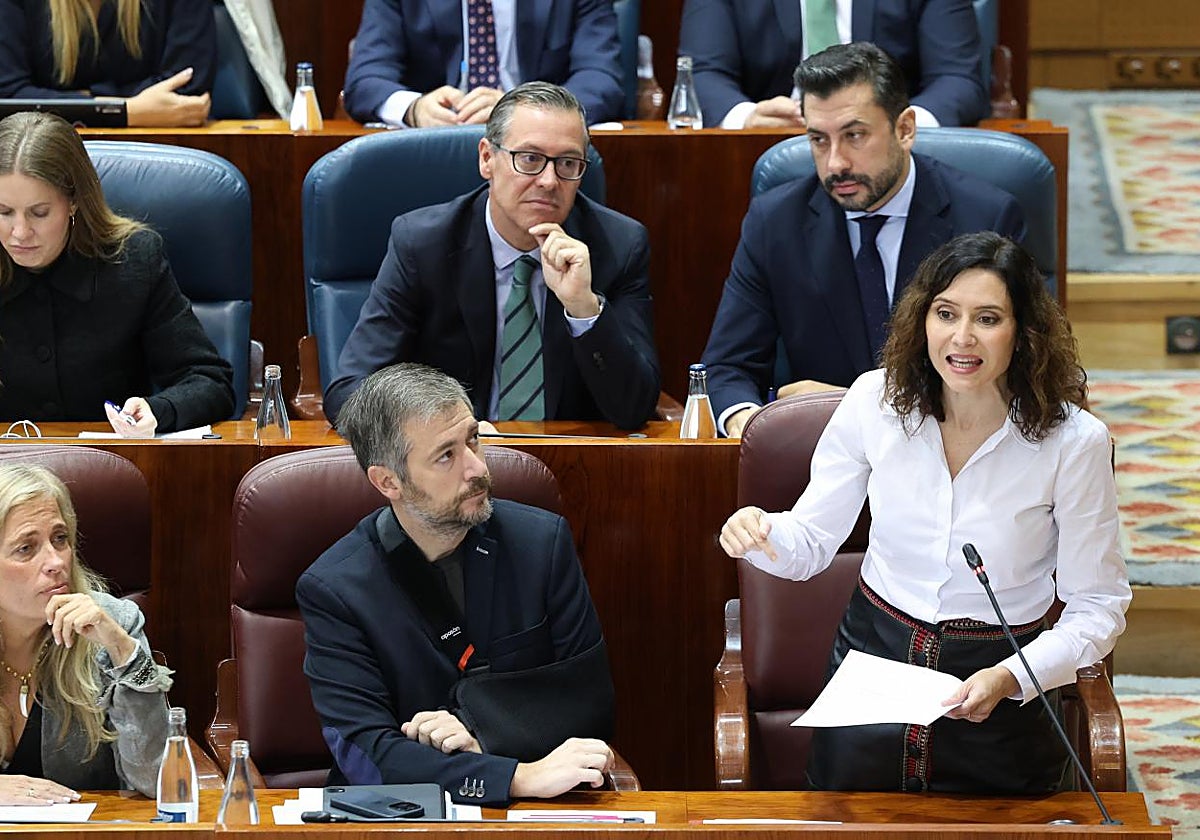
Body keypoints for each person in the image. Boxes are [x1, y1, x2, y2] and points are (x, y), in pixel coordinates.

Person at [719, 232, 1131, 793]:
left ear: (1024, 333)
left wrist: (1012, 677)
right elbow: (812, 541)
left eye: (987, 318)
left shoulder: (1073, 442)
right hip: (875, 666)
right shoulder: (874, 401)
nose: (962, 338)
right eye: (946, 314)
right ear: (923, 321)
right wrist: (761, 532)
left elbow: (1097, 606)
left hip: (1003, 680)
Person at [298, 363, 615, 805]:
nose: (476, 468)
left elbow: (590, 702)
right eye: (446, 455)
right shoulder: (335, 589)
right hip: (402, 819)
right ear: (388, 481)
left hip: (544, 811)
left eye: (473, 440)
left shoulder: (542, 544)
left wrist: (479, 731)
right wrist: (513, 778)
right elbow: (367, 754)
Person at [701, 42, 1024, 438]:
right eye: (819, 140)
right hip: (817, 458)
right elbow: (726, 369)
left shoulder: (984, 217)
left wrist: (855, 405)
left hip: (953, 454)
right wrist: (752, 426)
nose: (836, 163)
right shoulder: (775, 222)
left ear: (904, 128)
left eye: (854, 136)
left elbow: (1019, 373)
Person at [324, 82, 659, 429]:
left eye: (568, 163)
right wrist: (448, 433)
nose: (548, 180)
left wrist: (584, 310)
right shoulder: (424, 245)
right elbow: (351, 393)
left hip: (570, 464)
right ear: (487, 158)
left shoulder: (617, 247)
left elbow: (635, 409)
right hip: (448, 468)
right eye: (529, 158)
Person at [0, 111, 235, 435]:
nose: (20, 232)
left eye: (39, 213)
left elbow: (209, 381)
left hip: (110, 466)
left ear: (74, 202)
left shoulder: (134, 261)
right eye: (3, 212)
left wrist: (159, 409)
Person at [0, 463, 171, 801]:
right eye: (26, 548)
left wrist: (125, 652)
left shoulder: (115, 624)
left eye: (60, 539)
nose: (56, 561)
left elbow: (156, 781)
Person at [677, 0, 988, 129]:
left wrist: (902, 127)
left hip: (895, 155)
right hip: (771, 145)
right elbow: (701, 73)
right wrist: (747, 118)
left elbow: (957, 77)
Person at [343, 0, 623, 128]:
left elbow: (601, 79)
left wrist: (525, 110)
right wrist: (415, 109)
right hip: (433, 149)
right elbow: (366, 78)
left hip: (539, 155)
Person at [0, 0, 214, 128]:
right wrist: (131, 111)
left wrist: (82, 103)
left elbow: (187, 92)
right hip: (46, 152)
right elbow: (9, 98)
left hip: (164, 146)